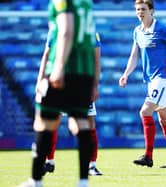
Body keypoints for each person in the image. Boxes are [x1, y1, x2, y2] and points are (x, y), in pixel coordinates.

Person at [17, 0, 95, 187]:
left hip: (63, 69)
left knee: (44, 121)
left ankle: (35, 180)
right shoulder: (85, 4)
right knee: (81, 121)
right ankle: (83, 181)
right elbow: (92, 44)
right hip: (85, 71)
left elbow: (66, 30)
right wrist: (95, 82)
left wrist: (59, 67)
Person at [119, 0, 166, 168]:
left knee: (145, 111)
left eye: (143, 9)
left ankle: (148, 156)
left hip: (163, 79)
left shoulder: (161, 29)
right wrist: (125, 74)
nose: (140, 12)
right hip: (152, 81)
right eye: (137, 9)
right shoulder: (137, 31)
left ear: (152, 11)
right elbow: (134, 55)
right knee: (164, 119)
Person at [39, 30, 103, 177]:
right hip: (59, 83)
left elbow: (96, 60)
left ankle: (91, 165)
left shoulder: (89, 31)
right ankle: (49, 161)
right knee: (52, 121)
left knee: (89, 123)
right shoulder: (55, 30)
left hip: (81, 84)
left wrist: (94, 85)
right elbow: (46, 55)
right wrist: (40, 80)